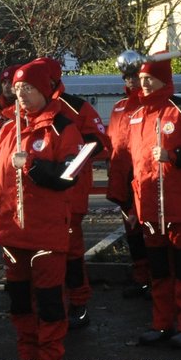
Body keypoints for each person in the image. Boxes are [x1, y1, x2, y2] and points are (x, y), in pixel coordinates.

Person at [106, 55, 181, 349]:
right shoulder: (135, 115)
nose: (145, 85)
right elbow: (124, 163)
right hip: (149, 208)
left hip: (179, 207)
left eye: (150, 79)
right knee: (159, 272)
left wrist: (175, 156)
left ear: (165, 80)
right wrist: (129, 206)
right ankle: (161, 323)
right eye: (141, 80)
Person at [0, 62, 83, 360]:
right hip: (12, 230)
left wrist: (33, 166)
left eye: (28, 88)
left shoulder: (62, 126)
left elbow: (69, 175)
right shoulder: (7, 128)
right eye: (17, 88)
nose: (21, 94)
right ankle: (26, 356)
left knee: (48, 300)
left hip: (46, 230)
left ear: (44, 89)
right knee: (18, 299)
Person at [40, 58, 110, 329]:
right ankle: (49, 303)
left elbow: (100, 144)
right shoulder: (24, 110)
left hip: (71, 194)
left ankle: (78, 302)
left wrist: (69, 166)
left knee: (70, 251)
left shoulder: (77, 107)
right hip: (39, 196)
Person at [106, 53, 152, 299]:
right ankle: (141, 278)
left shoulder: (149, 105)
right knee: (132, 233)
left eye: (136, 76)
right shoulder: (118, 107)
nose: (132, 81)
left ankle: (159, 279)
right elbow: (112, 142)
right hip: (123, 179)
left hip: (145, 178)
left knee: (150, 232)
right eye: (128, 77)